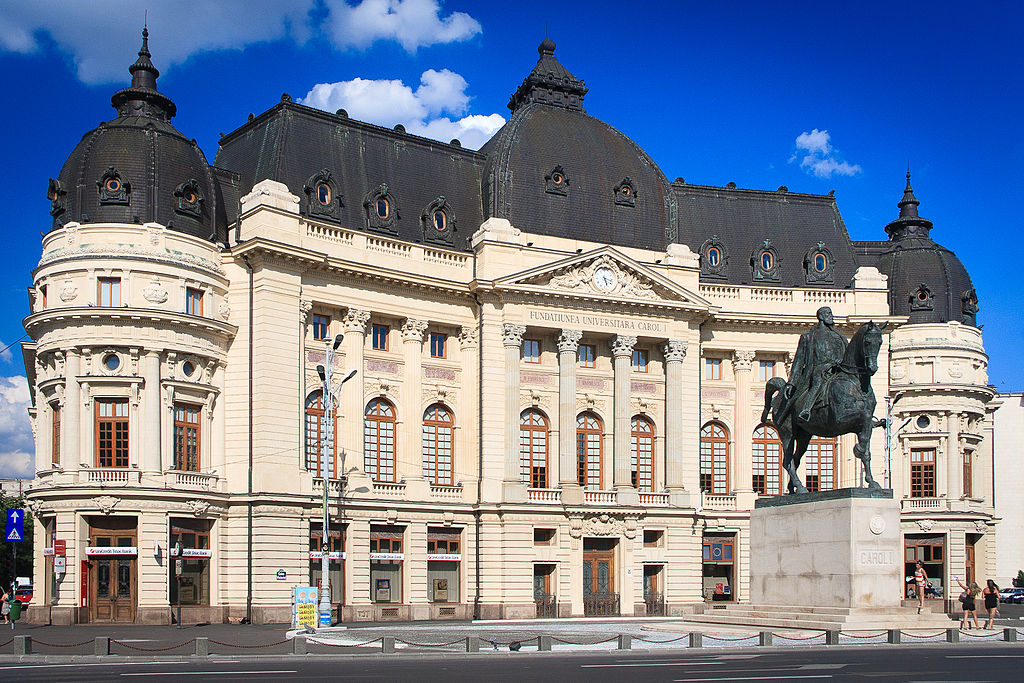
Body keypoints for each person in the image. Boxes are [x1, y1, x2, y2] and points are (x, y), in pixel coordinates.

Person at [787, 306, 848, 422]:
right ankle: (806, 409)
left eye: (831, 313)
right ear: (820, 317)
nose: (831, 316)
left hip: (836, 369)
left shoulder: (839, 336)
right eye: (828, 314)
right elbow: (799, 361)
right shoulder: (809, 337)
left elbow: (847, 354)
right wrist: (791, 382)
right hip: (819, 370)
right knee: (817, 384)